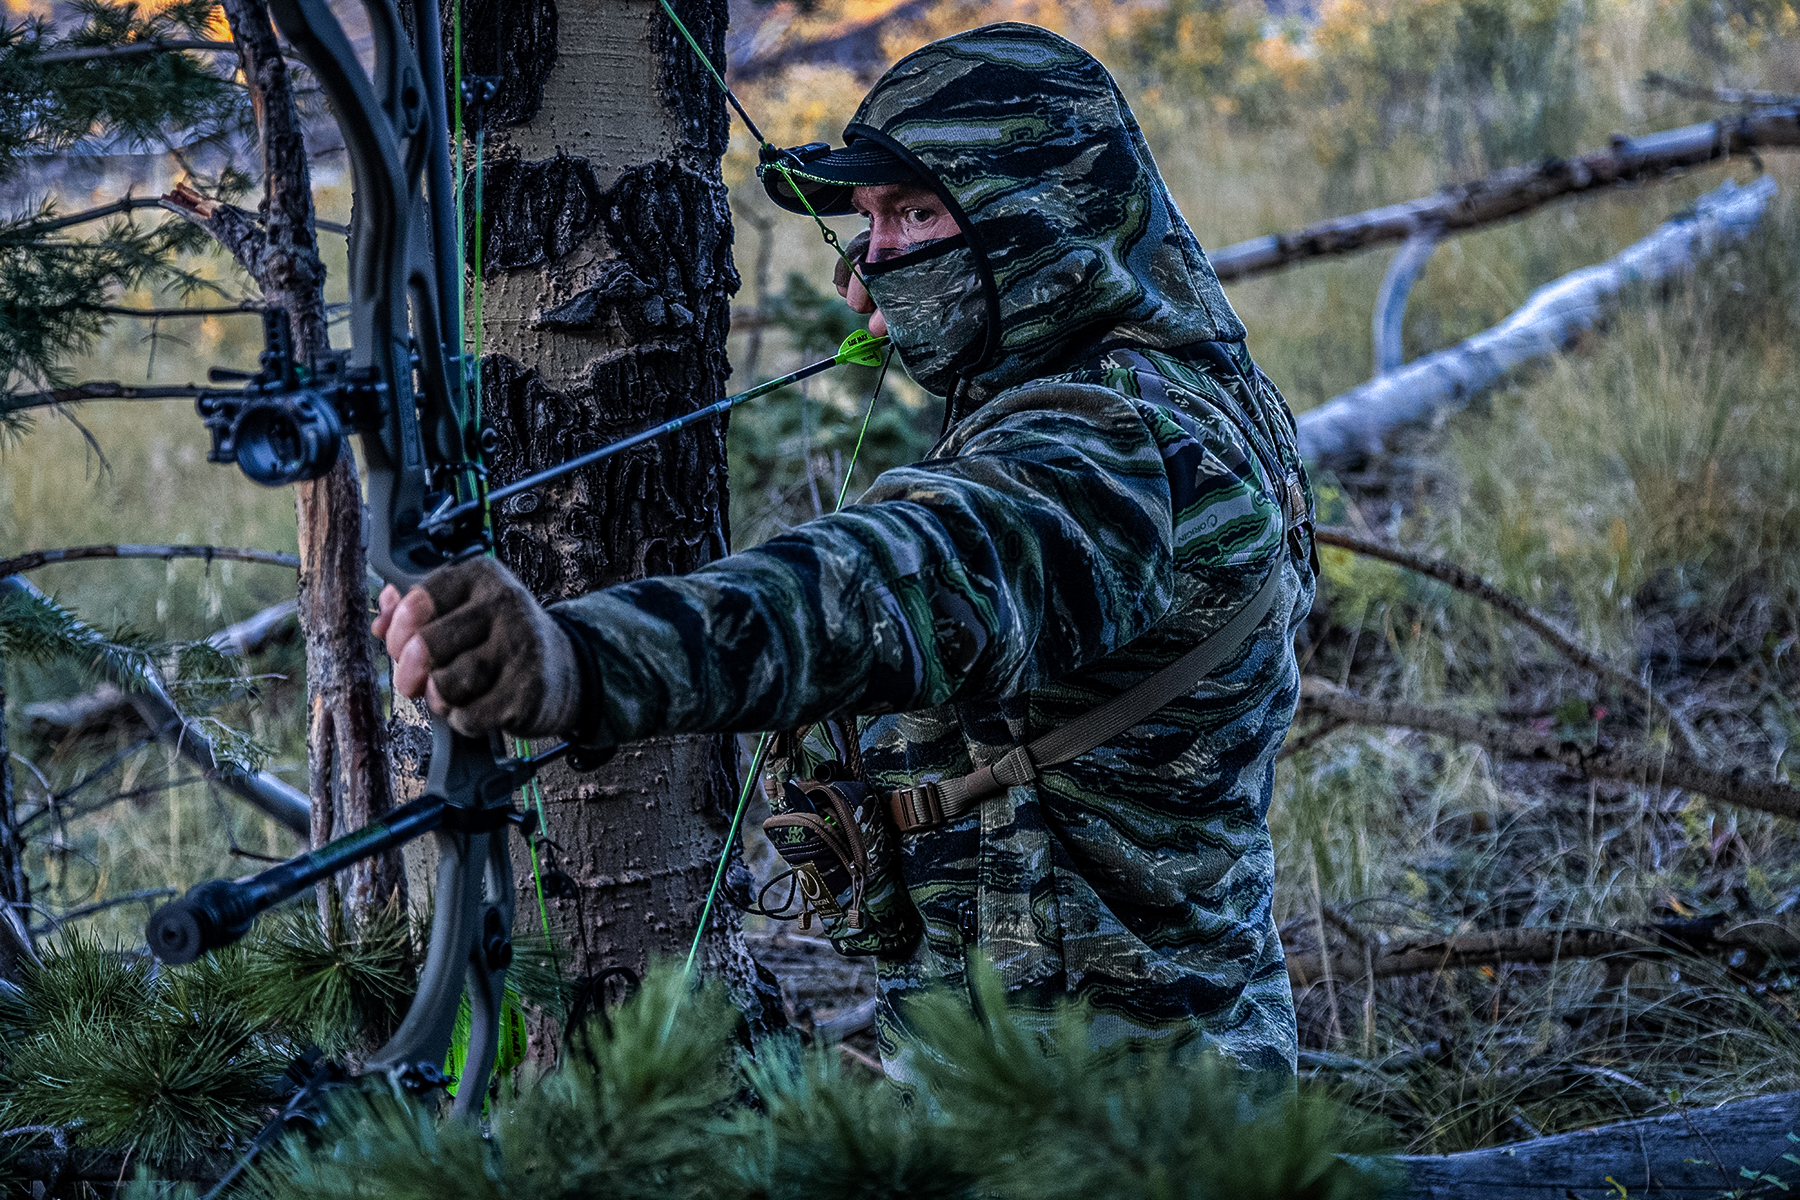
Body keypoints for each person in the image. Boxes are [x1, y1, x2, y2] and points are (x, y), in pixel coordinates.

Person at [374, 22, 1317, 1092]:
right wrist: (958, 319)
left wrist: (577, 657)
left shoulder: (1111, 449)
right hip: (1143, 1056)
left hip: (1090, 1113)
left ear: (1045, 221)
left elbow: (895, 577)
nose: (872, 261)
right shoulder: (1184, 379)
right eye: (867, 222)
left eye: (918, 214)